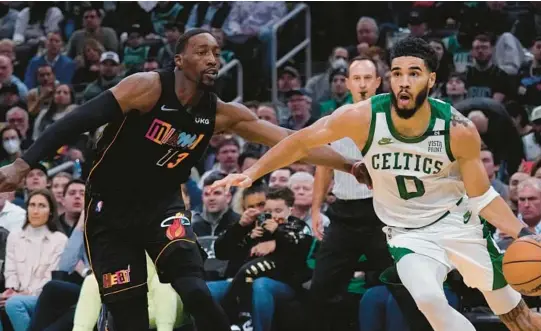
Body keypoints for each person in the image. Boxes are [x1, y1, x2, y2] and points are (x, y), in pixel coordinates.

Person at [0, 29, 351, 331]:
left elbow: (294, 142)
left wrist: (350, 165)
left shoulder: (222, 114)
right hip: (110, 209)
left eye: (216, 52)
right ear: (179, 61)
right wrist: (24, 163)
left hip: (161, 205)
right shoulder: (146, 88)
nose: (212, 58)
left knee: (195, 290)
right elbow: (76, 120)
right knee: (130, 316)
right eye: (202, 51)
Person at [212, 37, 541, 331]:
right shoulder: (363, 116)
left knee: (518, 318)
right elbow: (301, 142)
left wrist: (523, 233)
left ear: (431, 79)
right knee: (427, 299)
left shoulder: (457, 128)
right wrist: (254, 172)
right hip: (408, 235)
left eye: (414, 73)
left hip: (458, 227)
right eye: (397, 73)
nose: (404, 81)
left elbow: (482, 197)